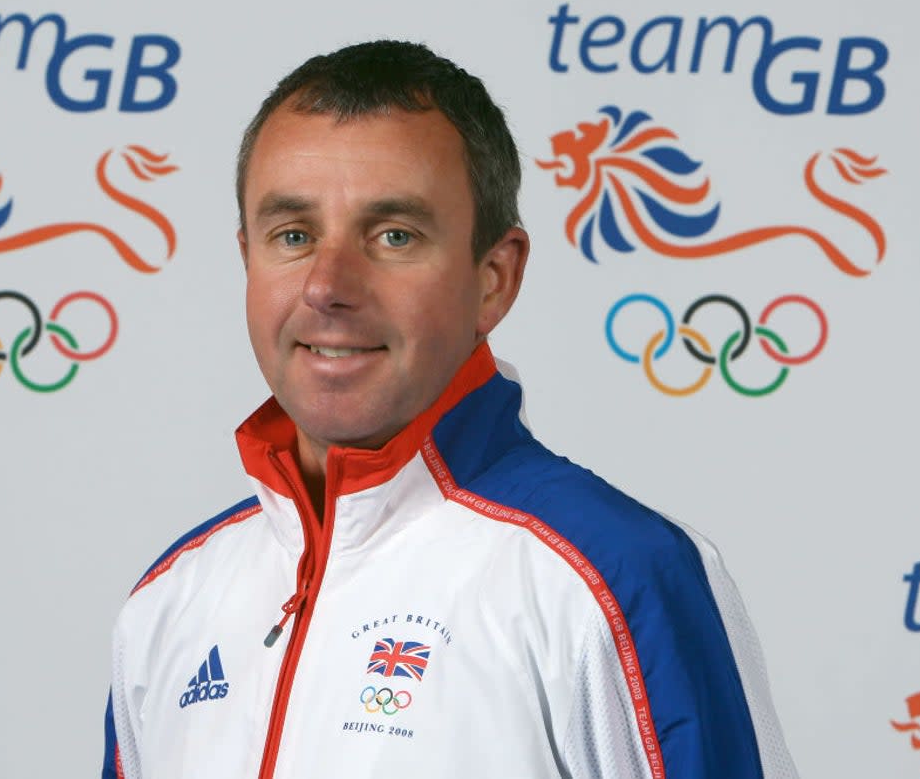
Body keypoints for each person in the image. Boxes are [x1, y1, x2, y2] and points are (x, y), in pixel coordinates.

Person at [102, 40, 798, 779]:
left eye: (394, 235)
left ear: (494, 278)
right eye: (294, 236)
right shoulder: (170, 601)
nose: (328, 286)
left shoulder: (615, 577)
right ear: (248, 258)